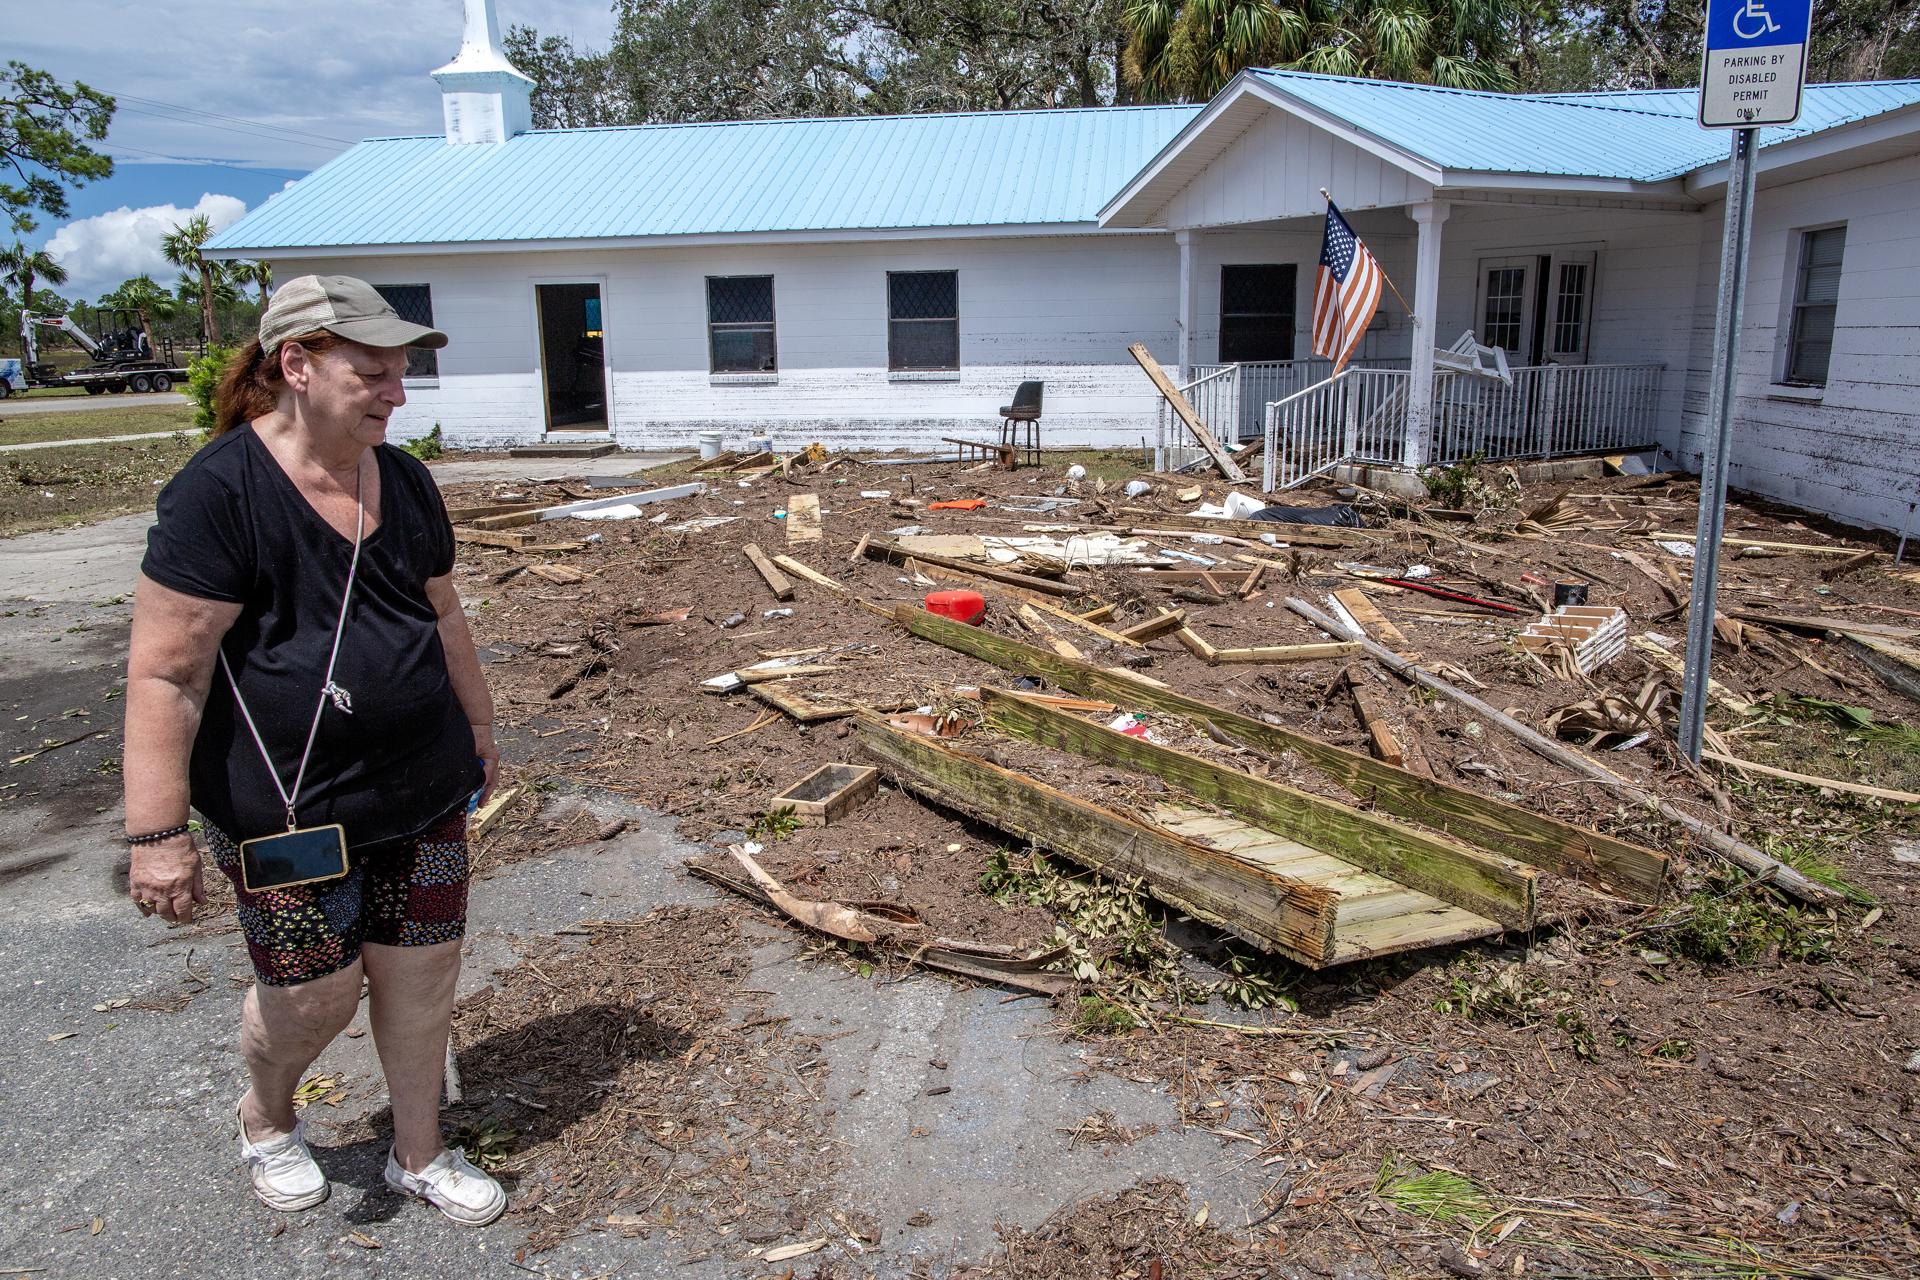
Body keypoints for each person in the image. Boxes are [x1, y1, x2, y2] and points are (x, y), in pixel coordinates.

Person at [122, 275, 506, 1225]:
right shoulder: (220, 494)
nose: (397, 393)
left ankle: (418, 1153)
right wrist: (155, 834)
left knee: (421, 977)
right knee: (313, 996)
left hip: (421, 789)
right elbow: (166, 675)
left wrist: (481, 732)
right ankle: (265, 1119)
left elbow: (442, 611)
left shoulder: (404, 478)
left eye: (402, 372)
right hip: (288, 813)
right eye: (371, 372)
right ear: (295, 364)